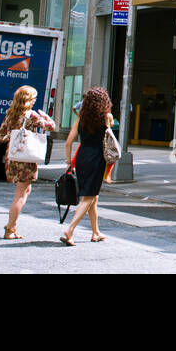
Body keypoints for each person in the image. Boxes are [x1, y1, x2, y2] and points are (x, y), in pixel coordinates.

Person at [0, 85, 56, 239]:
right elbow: (52, 127)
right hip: (26, 159)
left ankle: (12, 226)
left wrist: (14, 135)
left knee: (25, 190)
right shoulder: (32, 116)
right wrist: (46, 118)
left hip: (14, 157)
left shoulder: (11, 115)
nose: (35, 100)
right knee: (20, 195)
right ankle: (9, 228)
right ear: (28, 100)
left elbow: (0, 136)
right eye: (34, 98)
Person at [60, 88, 113, 245]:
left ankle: (95, 232)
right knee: (89, 196)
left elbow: (69, 141)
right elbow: (110, 140)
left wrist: (69, 162)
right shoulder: (106, 117)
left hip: (81, 156)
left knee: (92, 197)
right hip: (97, 158)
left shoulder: (81, 117)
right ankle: (70, 229)